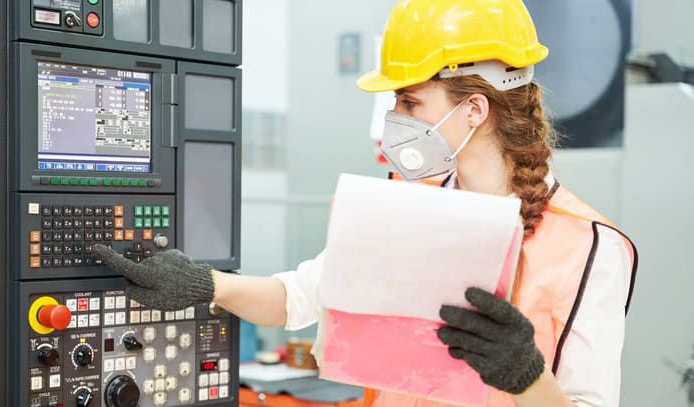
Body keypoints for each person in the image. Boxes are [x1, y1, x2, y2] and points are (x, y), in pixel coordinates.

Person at [93, 1, 638, 406]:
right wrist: (206, 285)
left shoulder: (589, 246)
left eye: (409, 100)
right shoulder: (411, 208)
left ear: (474, 108)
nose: (394, 120)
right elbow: (300, 297)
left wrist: (527, 376)